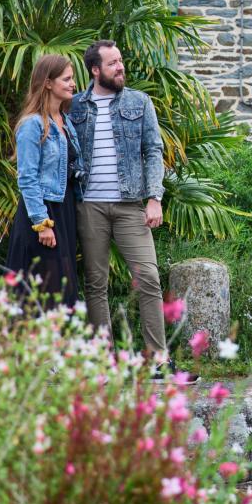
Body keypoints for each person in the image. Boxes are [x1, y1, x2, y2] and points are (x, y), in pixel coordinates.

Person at [70, 39, 186, 379]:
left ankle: (158, 361)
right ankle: (102, 363)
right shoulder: (75, 107)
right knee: (95, 283)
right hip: (88, 206)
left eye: (120, 61)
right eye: (113, 63)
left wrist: (155, 198)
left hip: (130, 204)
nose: (120, 67)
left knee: (148, 277)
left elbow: (153, 151)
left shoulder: (140, 101)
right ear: (95, 70)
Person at [6, 54, 83, 307]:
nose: (73, 84)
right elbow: (27, 178)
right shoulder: (32, 125)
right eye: (67, 79)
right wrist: (42, 223)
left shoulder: (66, 122)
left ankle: (61, 345)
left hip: (65, 211)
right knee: (44, 289)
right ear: (48, 83)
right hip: (43, 213)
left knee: (63, 287)